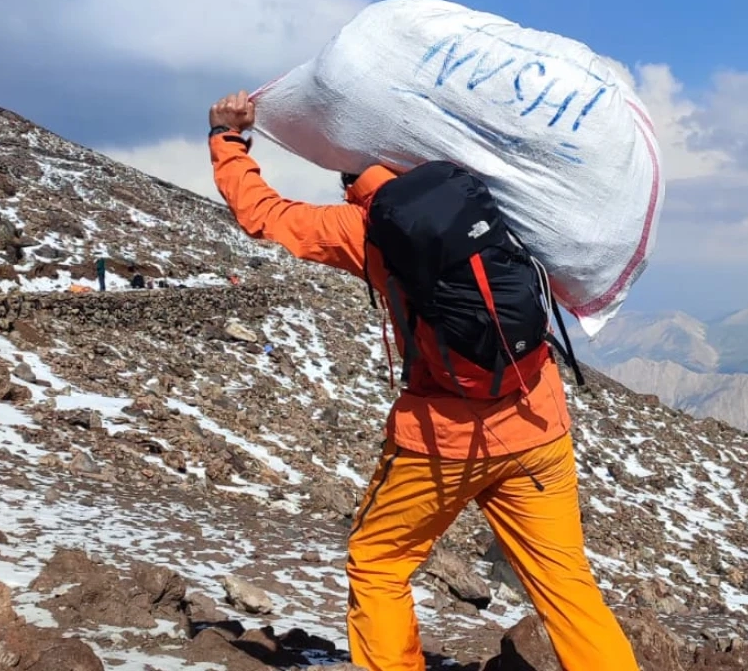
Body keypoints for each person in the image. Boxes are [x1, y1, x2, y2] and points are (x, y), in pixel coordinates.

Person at [207, 91, 638, 671]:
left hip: (443, 438)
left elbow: (263, 215)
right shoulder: (487, 194)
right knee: (565, 584)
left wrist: (227, 139)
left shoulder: (367, 228)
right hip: (537, 418)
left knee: (378, 564)